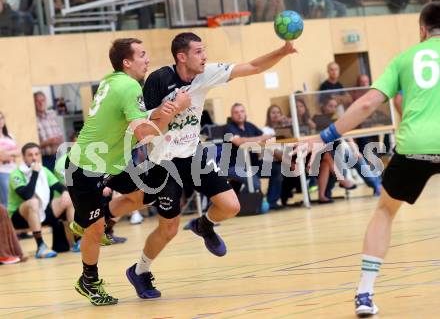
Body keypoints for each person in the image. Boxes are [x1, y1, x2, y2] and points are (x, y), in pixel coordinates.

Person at [106, 32, 297, 300]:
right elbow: (146, 130)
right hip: (164, 163)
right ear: (181, 57)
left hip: (194, 155)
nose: (204, 56)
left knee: (231, 206)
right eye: (198, 51)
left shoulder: (207, 73)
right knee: (167, 228)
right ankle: (140, 270)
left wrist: (283, 51)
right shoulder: (159, 79)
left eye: (204, 50)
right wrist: (171, 108)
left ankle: (204, 225)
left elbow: (252, 67)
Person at [296, 2, 440, 317]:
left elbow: (366, 104)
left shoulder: (404, 59)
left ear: (421, 30)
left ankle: (364, 293)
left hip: (416, 144)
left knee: (385, 212)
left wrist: (323, 138)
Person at [65, 37, 190, 306]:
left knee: (145, 195)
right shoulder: (129, 86)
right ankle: (88, 280)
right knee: (95, 231)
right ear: (127, 62)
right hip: (85, 168)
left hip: (112, 163)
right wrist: (174, 112)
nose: (147, 59)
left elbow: (135, 120)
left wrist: (159, 112)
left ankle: (93, 219)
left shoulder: (112, 80)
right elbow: (144, 134)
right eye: (142, 54)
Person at [7, 142, 74, 258]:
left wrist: (65, 192)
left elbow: (59, 186)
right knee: (33, 202)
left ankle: (78, 240)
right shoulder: (16, 174)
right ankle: (41, 246)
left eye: (37, 154)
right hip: (19, 218)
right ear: (23, 157)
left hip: (41, 213)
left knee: (69, 197)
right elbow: (27, 195)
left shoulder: (44, 171)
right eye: (30, 155)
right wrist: (35, 173)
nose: (34, 157)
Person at [34, 91, 64, 171]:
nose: (41, 103)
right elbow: (32, 146)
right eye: (38, 101)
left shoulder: (51, 116)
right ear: (34, 103)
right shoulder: (33, 120)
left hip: (59, 156)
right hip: (44, 159)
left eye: (43, 100)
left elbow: (61, 136)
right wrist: (47, 142)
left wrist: (59, 140)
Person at [0, 111, 19, 206]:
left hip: (14, 170)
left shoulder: (10, 136)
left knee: (17, 198)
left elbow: (19, 152)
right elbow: (1, 157)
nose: (0, 121)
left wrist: (7, 153)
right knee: (6, 201)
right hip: (2, 172)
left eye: (2, 118)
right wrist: (13, 153)